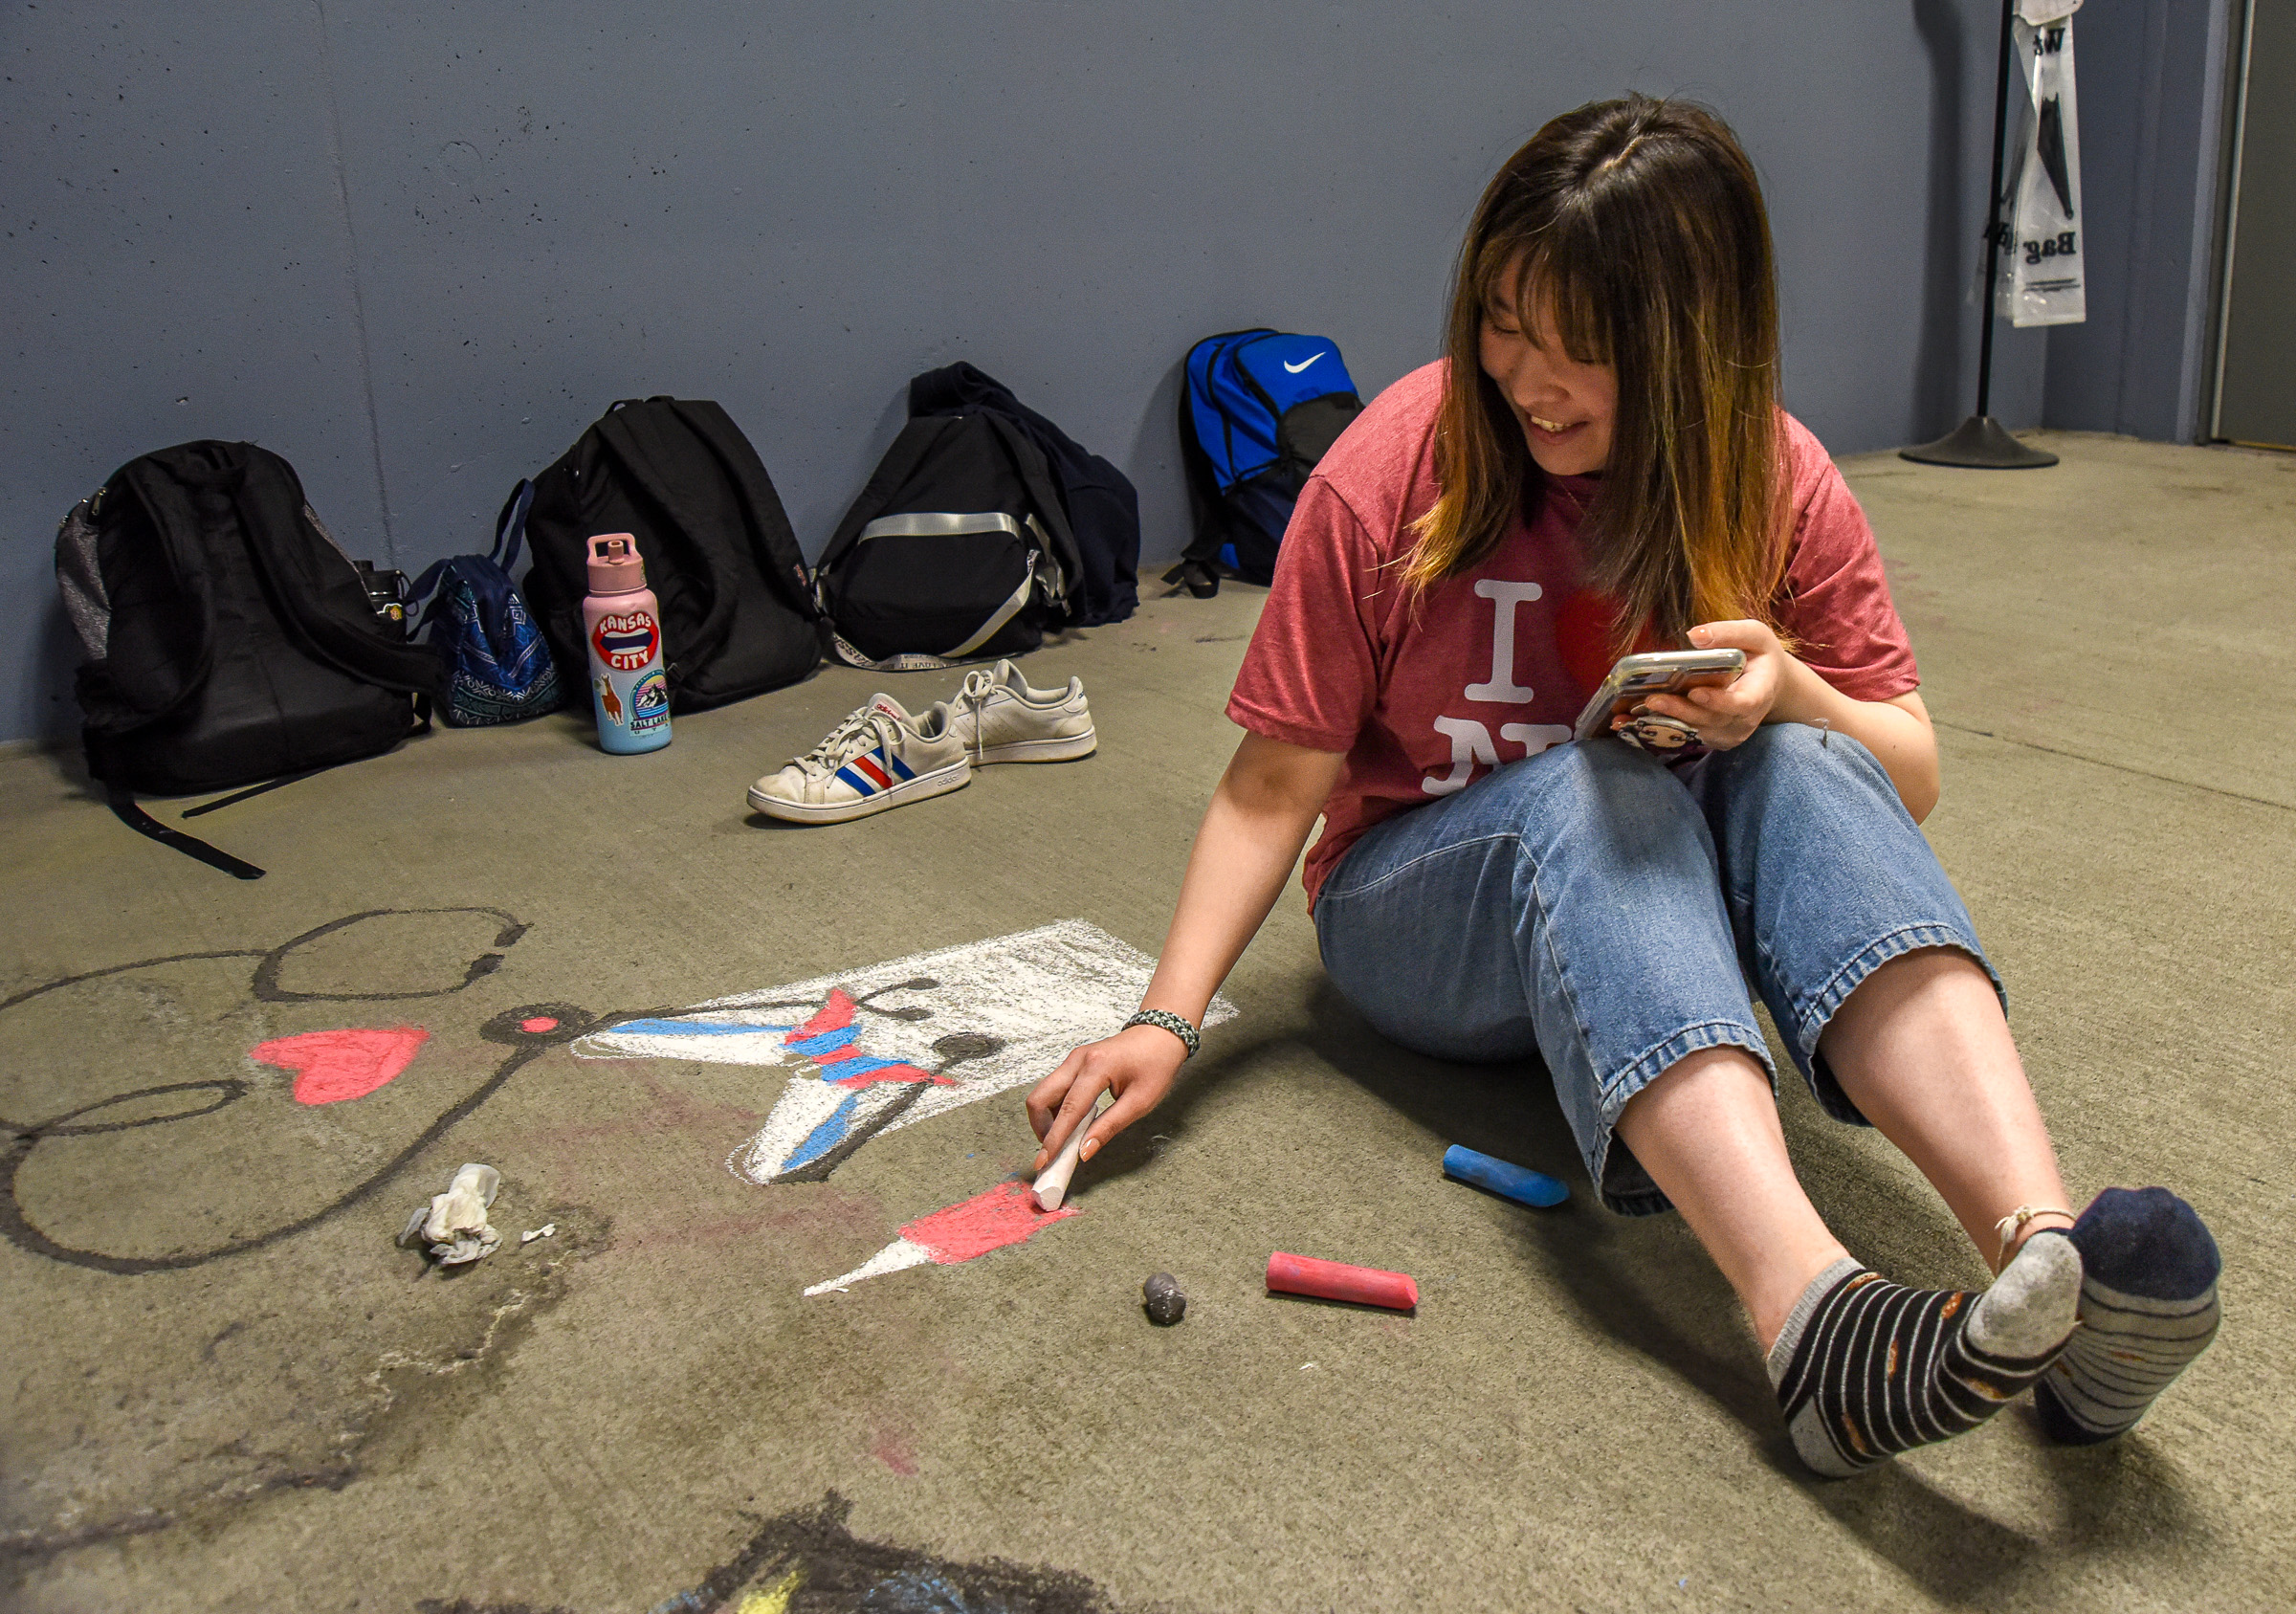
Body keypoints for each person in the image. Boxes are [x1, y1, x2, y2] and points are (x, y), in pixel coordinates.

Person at [1026, 96, 2220, 1476]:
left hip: (1657, 883)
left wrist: (1792, 689)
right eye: (1503, 321)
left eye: (1578, 346)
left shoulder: (1774, 472)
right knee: (1595, 789)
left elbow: (1910, 774)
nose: (1526, 377)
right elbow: (1272, 784)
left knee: (1807, 760)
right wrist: (1167, 1020)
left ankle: (2053, 1277)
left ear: (1688, 347)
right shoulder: (1390, 470)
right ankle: (1810, 1320)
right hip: (1415, 906)